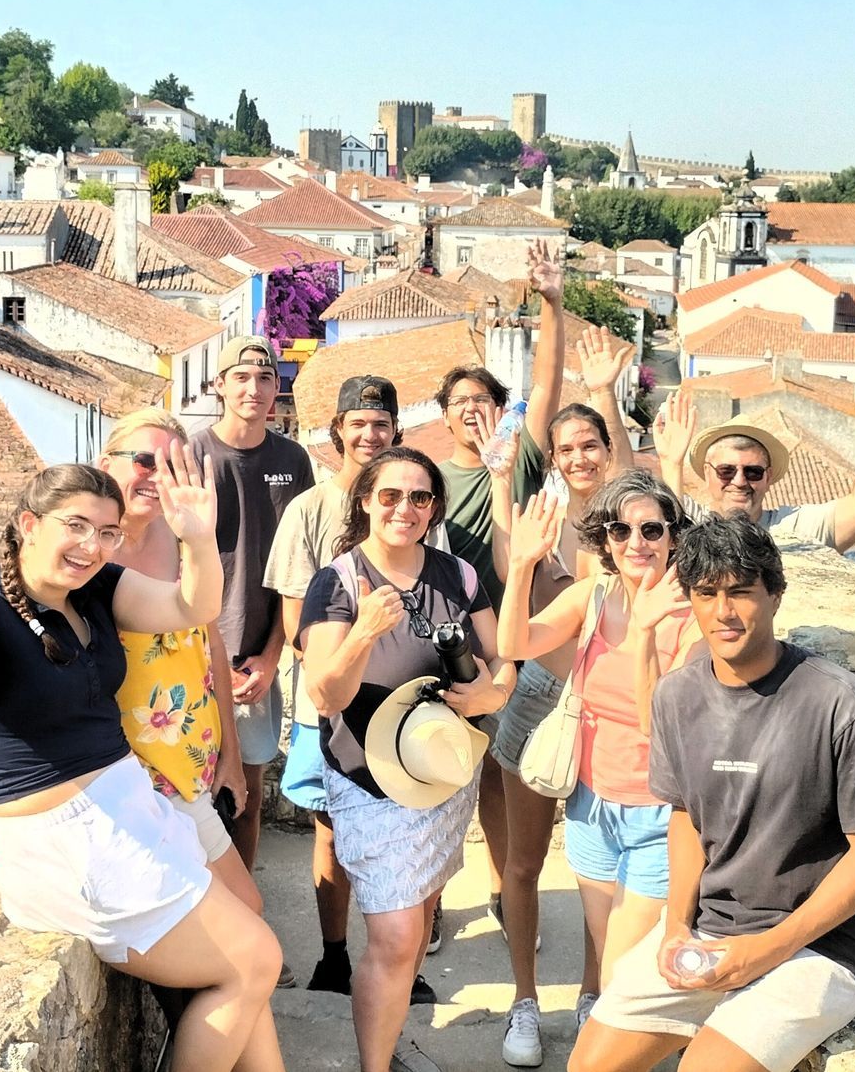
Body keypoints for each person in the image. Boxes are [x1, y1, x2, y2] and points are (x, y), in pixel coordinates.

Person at [0, 398, 284, 1072]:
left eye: (108, 532)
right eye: (76, 526)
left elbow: (192, 608)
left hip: (129, 812)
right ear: (29, 525)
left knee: (250, 970)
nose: (92, 544)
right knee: (254, 959)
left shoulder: (94, 591)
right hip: (74, 842)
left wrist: (198, 537)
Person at [571, 515, 855, 1072]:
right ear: (690, 601)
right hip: (710, 929)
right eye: (707, 593)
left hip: (818, 946)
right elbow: (687, 817)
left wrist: (768, 948)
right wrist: (676, 924)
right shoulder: (677, 696)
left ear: (775, 595)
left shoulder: (841, 703)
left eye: (741, 592)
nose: (723, 612)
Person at [0, 411, 262, 917]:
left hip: (187, 760)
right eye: (144, 459)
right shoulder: (74, 559)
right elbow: (2, 661)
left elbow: (210, 651)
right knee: (208, 918)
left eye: (170, 465)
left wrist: (231, 752)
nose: (156, 475)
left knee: (228, 911)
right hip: (115, 777)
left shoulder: (182, 537)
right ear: (106, 463)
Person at [299, 447, 514, 1072]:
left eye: (419, 497)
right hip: (368, 784)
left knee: (416, 925)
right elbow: (325, 694)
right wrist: (364, 630)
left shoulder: (458, 575)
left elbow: (505, 659)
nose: (404, 508)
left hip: (442, 775)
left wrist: (491, 691)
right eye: (389, 495)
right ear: (365, 501)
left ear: (434, 509)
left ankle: (391, 1046)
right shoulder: (336, 583)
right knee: (394, 938)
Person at [265, 373, 447, 999]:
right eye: (358, 423)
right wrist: (349, 657)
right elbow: (294, 619)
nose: (369, 434)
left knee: (421, 817)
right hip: (336, 697)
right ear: (336, 431)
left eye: (381, 424)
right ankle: (335, 955)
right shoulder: (307, 511)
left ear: (395, 430)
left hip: (408, 707)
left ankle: (404, 963)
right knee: (330, 826)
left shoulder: (416, 503)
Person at [496, 470, 697, 1027]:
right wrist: (521, 566)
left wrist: (649, 633)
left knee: (620, 973)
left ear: (674, 537)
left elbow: (661, 722)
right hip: (591, 807)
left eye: (652, 530)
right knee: (615, 968)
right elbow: (515, 644)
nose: (637, 543)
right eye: (620, 529)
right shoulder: (594, 595)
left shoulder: (690, 616)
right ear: (606, 541)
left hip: (658, 812)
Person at [487, 325, 637, 1065]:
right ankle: (522, 1000)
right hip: (542, 699)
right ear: (552, 455)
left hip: (608, 710)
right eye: (567, 447)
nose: (579, 457)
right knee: (522, 861)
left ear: (607, 450)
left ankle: (591, 993)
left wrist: (607, 392)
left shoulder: (631, 525)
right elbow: (509, 586)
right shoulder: (540, 518)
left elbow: (648, 487)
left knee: (599, 868)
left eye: (591, 444)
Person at [432, 238, 566, 945]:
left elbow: (545, 387)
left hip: (514, 640)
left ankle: (499, 894)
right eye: (461, 402)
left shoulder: (517, 464)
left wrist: (552, 299)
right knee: (434, 775)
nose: (474, 411)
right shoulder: (425, 480)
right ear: (445, 416)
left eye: (485, 400)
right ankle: (426, 904)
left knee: (500, 778)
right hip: (448, 647)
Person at [189, 336, 315, 884]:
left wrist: (270, 658)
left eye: (265, 378)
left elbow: (302, 571)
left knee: (247, 795)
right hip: (192, 654)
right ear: (219, 385)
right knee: (187, 794)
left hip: (255, 662)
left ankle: (245, 909)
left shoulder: (292, 460)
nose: (254, 388)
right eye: (241, 377)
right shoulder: (192, 456)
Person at [651, 362, 855, 551]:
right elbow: (663, 529)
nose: (739, 481)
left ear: (768, 477)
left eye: (753, 472)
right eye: (726, 470)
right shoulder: (691, 519)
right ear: (707, 473)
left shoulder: (792, 529)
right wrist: (670, 463)